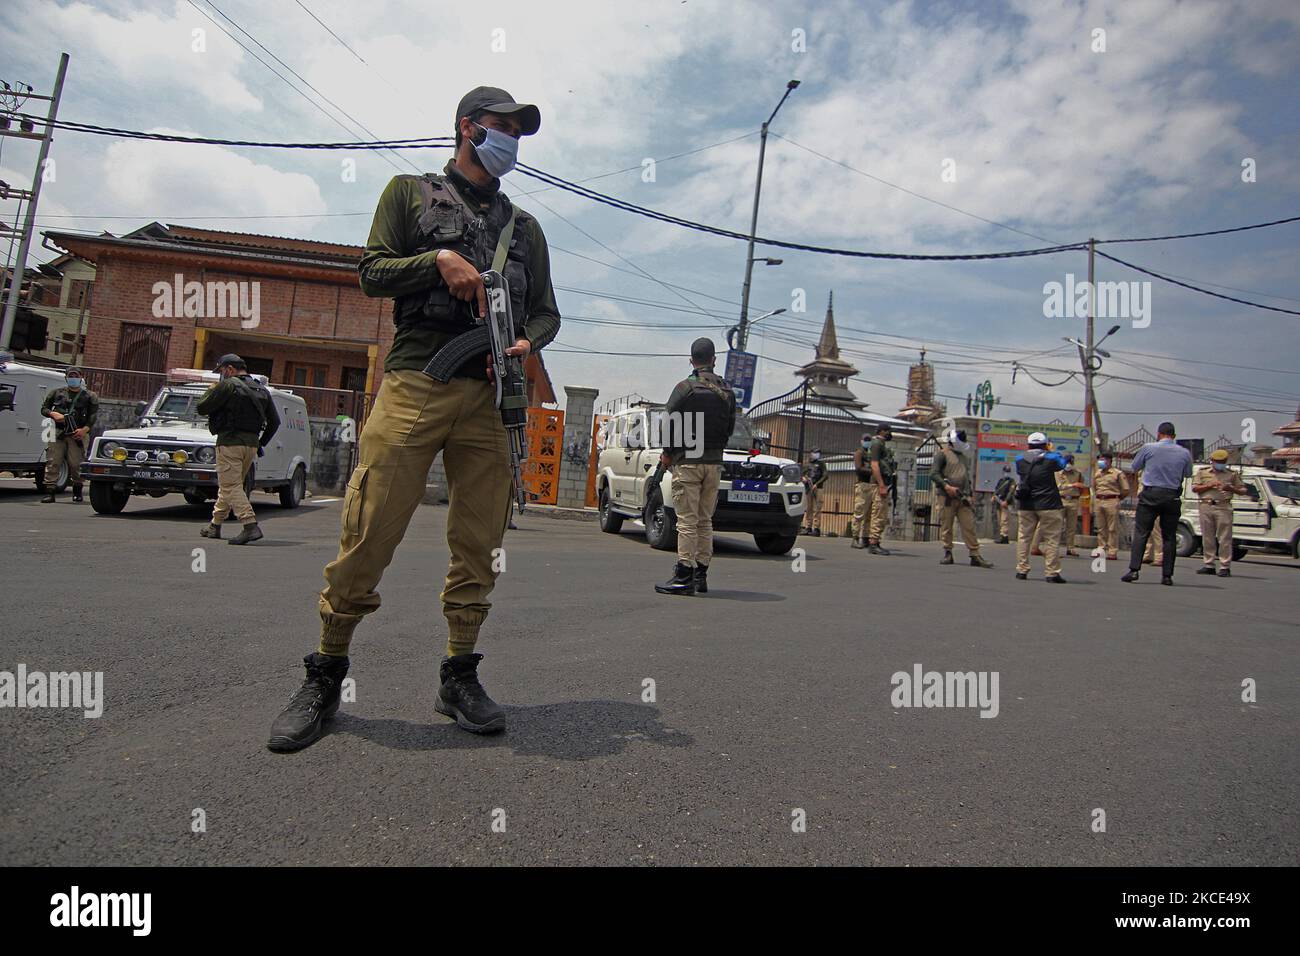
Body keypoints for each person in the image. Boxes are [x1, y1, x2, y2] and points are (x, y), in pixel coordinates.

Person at [268, 86, 559, 750]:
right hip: (416, 380)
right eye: (502, 126)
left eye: (520, 130)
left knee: (480, 542)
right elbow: (370, 272)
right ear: (468, 127)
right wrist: (436, 261)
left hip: (490, 395)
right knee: (370, 528)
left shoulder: (527, 231)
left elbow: (546, 310)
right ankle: (326, 673)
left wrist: (527, 341)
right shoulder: (408, 193)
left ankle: (459, 674)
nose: (512, 138)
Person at [656, 337, 736, 596]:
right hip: (714, 463)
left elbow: (668, 421)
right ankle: (701, 575)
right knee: (705, 521)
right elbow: (730, 428)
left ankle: (683, 575)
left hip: (688, 462)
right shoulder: (727, 391)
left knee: (687, 521)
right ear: (714, 360)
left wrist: (668, 454)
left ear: (692, 361)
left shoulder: (684, 387)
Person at [196, 354, 280, 545]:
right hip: (250, 446)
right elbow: (275, 422)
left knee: (230, 486)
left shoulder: (228, 385)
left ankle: (250, 525)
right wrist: (260, 443)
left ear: (230, 369)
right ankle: (214, 525)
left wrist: (211, 391)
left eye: (222, 371)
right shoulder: (261, 389)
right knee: (231, 485)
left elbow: (202, 407)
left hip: (229, 443)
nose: (222, 375)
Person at [1122, 421, 1194, 585]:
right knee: (1169, 536)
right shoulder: (1184, 452)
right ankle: (1167, 575)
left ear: (1159, 434)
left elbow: (1134, 466)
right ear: (1174, 436)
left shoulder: (1149, 448)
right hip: (1172, 496)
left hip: (1150, 494)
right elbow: (1188, 473)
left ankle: (1134, 570)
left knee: (1141, 532)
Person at [932, 428, 993, 568]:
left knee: (969, 526)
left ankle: (975, 554)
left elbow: (966, 478)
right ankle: (948, 553)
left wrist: (970, 495)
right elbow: (934, 474)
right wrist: (946, 487)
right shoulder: (942, 455)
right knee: (947, 526)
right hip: (946, 496)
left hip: (963, 497)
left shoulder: (964, 457)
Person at [39, 366, 98, 503]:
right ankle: (50, 491)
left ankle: (77, 490)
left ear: (81, 377)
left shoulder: (89, 396)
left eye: (76, 376)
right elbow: (44, 408)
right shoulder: (56, 393)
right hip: (58, 432)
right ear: (66, 378)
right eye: (70, 376)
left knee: (76, 463)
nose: (73, 379)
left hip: (78, 433)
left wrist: (84, 430)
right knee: (53, 461)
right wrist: (52, 413)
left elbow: (93, 416)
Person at [1014, 432, 1068, 582]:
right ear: (1045, 445)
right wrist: (1052, 451)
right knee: (1051, 539)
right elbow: (1061, 464)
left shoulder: (1019, 459)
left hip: (1026, 503)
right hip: (1049, 503)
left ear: (1028, 444)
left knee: (1024, 537)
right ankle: (1052, 572)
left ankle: (1022, 570)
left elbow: (1020, 472)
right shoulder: (1051, 458)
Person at [1192, 449, 1247, 578]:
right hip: (1206, 505)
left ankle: (1224, 566)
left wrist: (1231, 488)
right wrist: (1210, 485)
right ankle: (1209, 564)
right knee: (1207, 537)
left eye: (1222, 462)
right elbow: (1195, 488)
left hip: (1223, 506)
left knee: (1224, 538)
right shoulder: (1203, 472)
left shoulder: (1231, 474)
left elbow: (1243, 490)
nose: (1220, 464)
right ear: (1212, 461)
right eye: (1217, 462)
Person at [851, 424, 894, 554]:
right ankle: (859, 539)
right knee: (861, 512)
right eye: (887, 431)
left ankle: (867, 539)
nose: (889, 433)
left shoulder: (878, 447)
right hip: (865, 484)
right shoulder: (866, 450)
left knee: (872, 514)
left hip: (874, 484)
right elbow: (865, 467)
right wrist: (879, 480)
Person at [1091, 452, 1128, 560]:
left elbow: (1125, 489)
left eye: (1103, 460)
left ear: (1110, 461)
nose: (1101, 462)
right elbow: (1094, 487)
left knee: (1112, 528)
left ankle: (1112, 551)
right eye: (1100, 460)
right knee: (1100, 527)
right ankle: (1101, 548)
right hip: (1099, 500)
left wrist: (1118, 498)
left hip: (1112, 500)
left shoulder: (1117, 473)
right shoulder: (1097, 473)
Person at [801, 448, 827, 536]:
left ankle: (816, 528)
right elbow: (801, 474)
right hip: (808, 488)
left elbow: (825, 475)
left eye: (818, 453)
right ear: (811, 453)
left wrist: (817, 484)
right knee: (809, 508)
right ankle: (808, 527)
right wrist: (803, 478)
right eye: (815, 452)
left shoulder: (821, 464)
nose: (817, 454)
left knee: (817, 508)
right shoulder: (807, 464)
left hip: (818, 488)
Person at [993, 465, 1016, 544]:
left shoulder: (1011, 481)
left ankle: (1004, 536)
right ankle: (1001, 535)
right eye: (1006, 471)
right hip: (998, 502)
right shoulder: (1001, 481)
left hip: (1006, 503)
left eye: (1008, 471)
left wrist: (1006, 501)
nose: (1006, 473)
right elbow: (996, 490)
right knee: (1000, 520)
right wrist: (994, 497)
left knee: (1004, 520)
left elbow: (1011, 491)